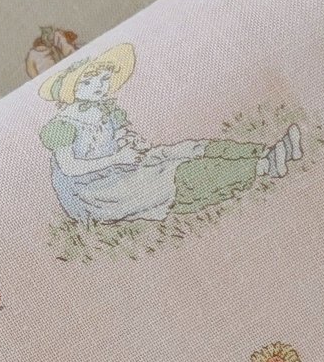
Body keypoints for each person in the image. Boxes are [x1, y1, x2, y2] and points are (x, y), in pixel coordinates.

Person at [37, 42, 303, 225]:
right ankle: (263, 166)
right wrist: (118, 158)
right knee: (171, 177)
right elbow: (70, 168)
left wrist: (131, 143)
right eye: (87, 81)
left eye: (104, 79)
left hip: (122, 166)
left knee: (186, 150)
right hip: (93, 193)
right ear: (69, 90)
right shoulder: (64, 124)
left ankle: (266, 151)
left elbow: (122, 138)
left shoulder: (105, 109)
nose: (99, 86)